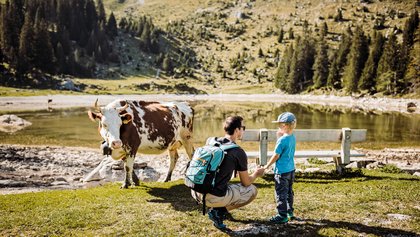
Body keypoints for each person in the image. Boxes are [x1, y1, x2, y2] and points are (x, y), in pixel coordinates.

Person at [191, 115, 265, 229]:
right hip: (212, 197)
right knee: (252, 190)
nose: (243, 130)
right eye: (243, 127)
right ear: (236, 130)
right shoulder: (238, 151)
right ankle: (218, 212)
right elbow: (246, 183)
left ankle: (216, 207)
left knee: (226, 185)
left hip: (195, 190)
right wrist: (256, 173)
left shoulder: (211, 140)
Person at [263, 112, 297, 224]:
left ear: (285, 126)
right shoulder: (292, 137)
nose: (278, 127)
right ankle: (289, 212)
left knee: (280, 193)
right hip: (291, 170)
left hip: (282, 172)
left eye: (280, 125)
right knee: (288, 192)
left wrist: (267, 165)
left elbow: (276, 155)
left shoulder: (282, 140)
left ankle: (282, 215)